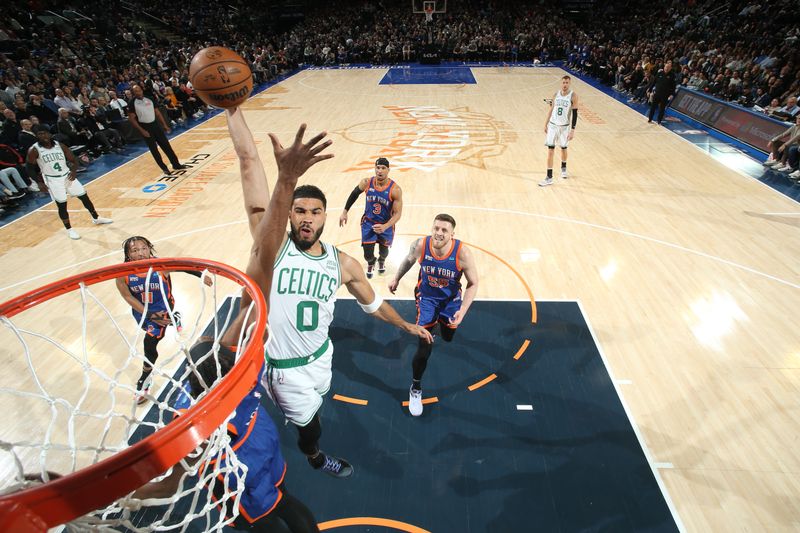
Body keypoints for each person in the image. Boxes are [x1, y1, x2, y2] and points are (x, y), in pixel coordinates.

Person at [132, 108, 332, 532]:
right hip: (239, 488)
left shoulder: (241, 348)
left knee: (297, 511)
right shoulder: (208, 409)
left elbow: (247, 163)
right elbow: (171, 483)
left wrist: (232, 108)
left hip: (266, 460)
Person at [265, 182, 432, 477]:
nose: (308, 218)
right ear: (288, 214)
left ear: (324, 217)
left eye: (315, 212)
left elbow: (375, 304)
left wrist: (405, 324)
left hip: (320, 356)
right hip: (284, 368)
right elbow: (254, 194)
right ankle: (315, 457)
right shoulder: (274, 249)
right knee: (311, 428)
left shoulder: (342, 263)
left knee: (317, 405)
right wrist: (286, 174)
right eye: (300, 211)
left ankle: (305, 419)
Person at [388, 214, 479, 416]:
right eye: (436, 228)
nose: (439, 233)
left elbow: (473, 283)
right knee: (424, 346)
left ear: (452, 234)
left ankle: (439, 326)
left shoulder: (462, 253)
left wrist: (462, 311)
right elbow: (409, 259)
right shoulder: (421, 245)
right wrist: (396, 277)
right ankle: (416, 387)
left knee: (448, 337)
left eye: (444, 230)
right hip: (426, 300)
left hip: (450, 302)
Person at [115, 236, 212, 404]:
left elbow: (183, 266)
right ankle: (176, 319)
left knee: (149, 344)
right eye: (135, 250)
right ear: (128, 254)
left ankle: (144, 380)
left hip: (163, 310)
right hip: (143, 312)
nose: (140, 253)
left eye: (144, 248)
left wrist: (200, 274)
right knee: (150, 336)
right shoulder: (122, 274)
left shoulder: (160, 266)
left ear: (149, 248)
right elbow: (127, 296)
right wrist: (150, 315)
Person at [25, 128, 113, 239]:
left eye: (44, 133)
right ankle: (69, 229)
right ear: (37, 136)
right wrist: (38, 182)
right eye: (40, 134)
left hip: (67, 175)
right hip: (53, 180)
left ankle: (96, 218)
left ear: (49, 134)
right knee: (62, 205)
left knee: (84, 196)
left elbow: (73, 159)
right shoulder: (34, 150)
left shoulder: (59, 145)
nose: (43, 136)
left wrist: (74, 170)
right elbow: (29, 168)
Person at [338, 157, 403, 278]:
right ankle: (371, 262)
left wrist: (385, 226)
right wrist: (345, 211)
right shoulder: (367, 182)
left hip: (386, 225)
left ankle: (381, 260)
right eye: (377, 168)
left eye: (383, 168)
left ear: (388, 170)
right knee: (367, 254)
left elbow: (398, 214)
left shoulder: (395, 190)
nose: (380, 171)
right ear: (374, 169)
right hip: (369, 223)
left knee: (384, 252)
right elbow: (354, 194)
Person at [127, 84, 186, 176]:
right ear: (133, 93)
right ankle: (164, 168)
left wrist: (165, 125)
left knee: (166, 146)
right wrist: (142, 131)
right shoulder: (132, 103)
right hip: (145, 128)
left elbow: (157, 113)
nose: (137, 92)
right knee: (154, 150)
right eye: (135, 91)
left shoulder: (149, 98)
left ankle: (176, 164)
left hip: (155, 125)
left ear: (141, 90)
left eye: (138, 90)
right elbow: (131, 119)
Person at [539, 75, 579, 187]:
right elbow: (551, 110)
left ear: (569, 83)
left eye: (567, 83)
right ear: (561, 83)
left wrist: (572, 130)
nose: (565, 84)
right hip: (553, 125)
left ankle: (563, 168)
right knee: (550, 150)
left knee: (563, 148)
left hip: (565, 127)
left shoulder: (573, 96)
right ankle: (549, 177)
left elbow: (575, 114)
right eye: (563, 82)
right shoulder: (555, 95)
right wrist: (545, 123)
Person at [647, 60, 678, 125]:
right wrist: (649, 90)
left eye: (668, 67)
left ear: (670, 68)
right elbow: (654, 82)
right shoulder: (659, 73)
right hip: (657, 93)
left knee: (662, 109)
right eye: (666, 67)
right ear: (664, 67)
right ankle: (650, 118)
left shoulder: (672, 76)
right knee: (653, 107)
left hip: (665, 95)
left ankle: (659, 121)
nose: (666, 68)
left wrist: (672, 94)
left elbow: (673, 86)